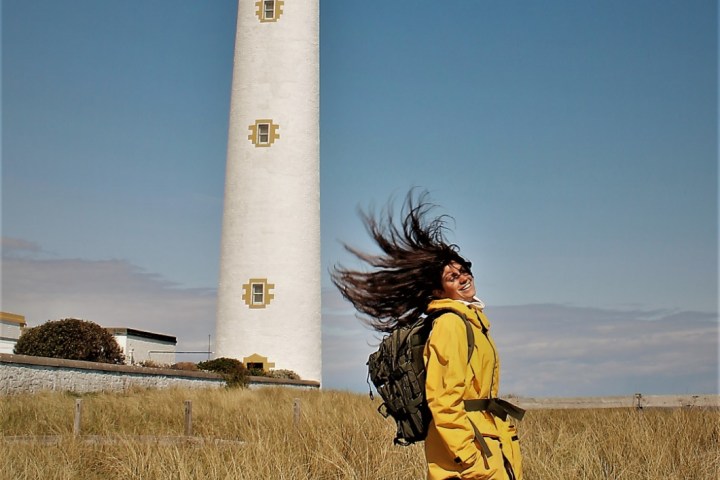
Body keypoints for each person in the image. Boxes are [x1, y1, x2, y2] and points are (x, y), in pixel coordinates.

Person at [332, 190, 523, 480]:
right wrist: (469, 457)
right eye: (452, 277)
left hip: (486, 440)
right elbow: (444, 399)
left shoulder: (472, 320)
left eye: (463, 270)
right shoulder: (450, 324)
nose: (463, 277)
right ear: (437, 291)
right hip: (470, 454)